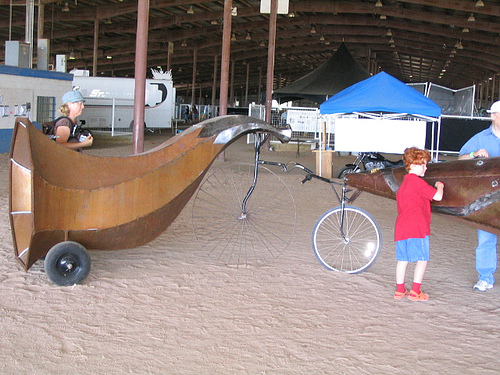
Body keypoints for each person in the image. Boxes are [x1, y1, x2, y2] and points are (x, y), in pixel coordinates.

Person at [458, 100, 500, 292]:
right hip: (487, 197)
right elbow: (460, 158)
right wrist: (474, 154)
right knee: (486, 238)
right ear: (494, 116)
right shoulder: (480, 138)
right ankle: (485, 277)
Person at [394, 147, 444, 301]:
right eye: (423, 164)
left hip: (401, 227)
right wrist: (440, 185)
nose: (426, 167)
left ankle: (400, 290)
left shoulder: (403, 184)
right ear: (413, 165)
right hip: (417, 226)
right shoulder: (417, 182)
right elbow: (437, 197)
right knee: (422, 259)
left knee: (402, 260)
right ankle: (416, 291)